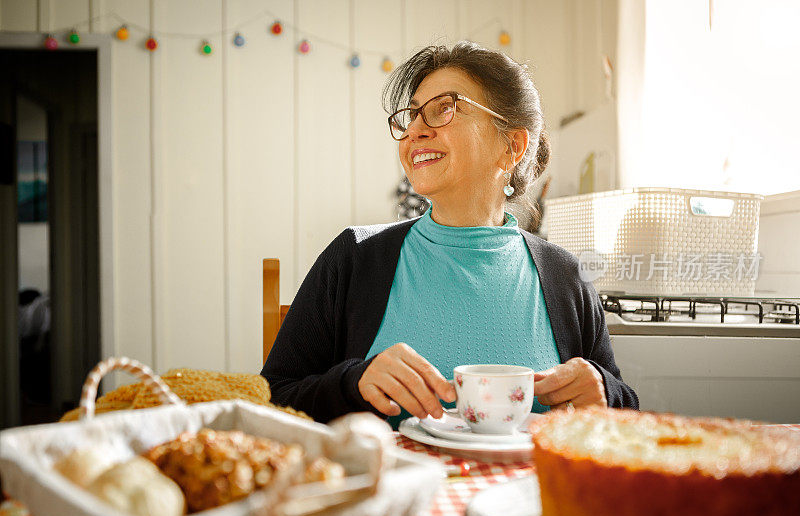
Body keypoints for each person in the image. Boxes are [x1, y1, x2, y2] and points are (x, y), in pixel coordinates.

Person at [261, 41, 638, 424]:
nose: (414, 132)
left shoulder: (566, 277)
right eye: (411, 116)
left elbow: (625, 414)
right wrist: (352, 384)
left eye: (445, 109)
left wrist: (606, 393)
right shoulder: (355, 258)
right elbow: (271, 397)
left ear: (512, 146)